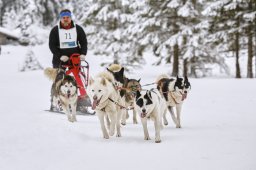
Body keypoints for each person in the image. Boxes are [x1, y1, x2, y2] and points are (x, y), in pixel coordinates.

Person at [49, 9, 94, 114]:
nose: (66, 19)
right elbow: (51, 45)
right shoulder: (55, 30)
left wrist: (83, 53)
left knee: (78, 79)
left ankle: (81, 102)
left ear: (70, 18)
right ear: (61, 18)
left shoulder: (78, 29)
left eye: (67, 17)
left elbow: (83, 42)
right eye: (63, 18)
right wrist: (60, 56)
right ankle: (56, 102)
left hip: (75, 58)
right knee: (59, 80)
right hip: (60, 60)